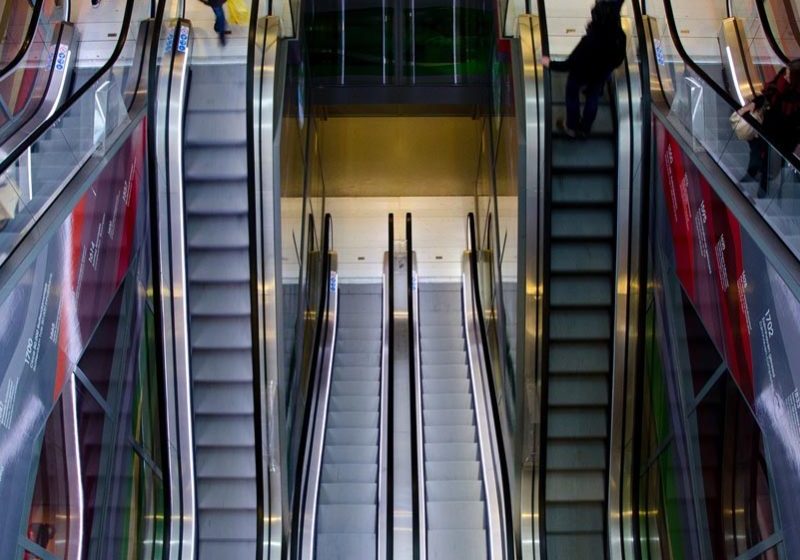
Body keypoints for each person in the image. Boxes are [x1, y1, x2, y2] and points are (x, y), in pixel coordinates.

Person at [542, 1, 627, 138]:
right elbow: (619, 58)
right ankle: (585, 128)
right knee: (593, 95)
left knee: (572, 91)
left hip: (582, 72)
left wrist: (549, 64)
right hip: (602, 72)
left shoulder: (588, 41)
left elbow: (568, 65)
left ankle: (571, 126)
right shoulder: (619, 37)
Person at [738, 59, 800, 197]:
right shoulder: (783, 75)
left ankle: (763, 190)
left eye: (789, 75)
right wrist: (754, 103)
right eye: (786, 73)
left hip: (785, 138)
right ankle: (751, 173)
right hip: (768, 125)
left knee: (771, 165)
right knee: (755, 150)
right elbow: (769, 92)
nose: (785, 76)